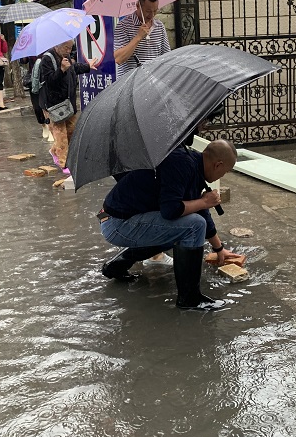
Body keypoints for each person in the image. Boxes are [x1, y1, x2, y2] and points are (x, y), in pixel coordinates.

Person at [98, 139, 242, 311]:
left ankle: (117, 266)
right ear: (218, 165)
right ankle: (190, 299)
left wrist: (219, 249)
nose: (222, 176)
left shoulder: (193, 163)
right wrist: (204, 202)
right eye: (225, 172)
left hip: (116, 218)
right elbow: (171, 210)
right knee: (194, 226)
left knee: (180, 228)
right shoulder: (182, 164)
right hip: (117, 223)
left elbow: (198, 209)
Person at [38, 40, 91, 174]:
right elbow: (50, 81)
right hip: (55, 105)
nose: (68, 51)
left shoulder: (66, 57)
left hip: (68, 103)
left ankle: (55, 151)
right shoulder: (47, 59)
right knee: (61, 136)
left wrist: (88, 66)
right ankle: (64, 163)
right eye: (66, 48)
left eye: (70, 48)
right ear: (57, 45)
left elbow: (74, 68)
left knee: (71, 132)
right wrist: (61, 70)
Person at [113, 0, 171, 78]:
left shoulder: (159, 26)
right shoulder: (123, 26)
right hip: (130, 82)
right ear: (138, 6)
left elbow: (167, 56)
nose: (152, 15)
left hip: (152, 81)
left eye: (155, 11)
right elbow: (118, 59)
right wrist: (138, 37)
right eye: (148, 11)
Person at [19, 56, 52, 142]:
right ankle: (43, 124)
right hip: (34, 79)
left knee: (47, 105)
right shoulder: (30, 49)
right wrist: (25, 56)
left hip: (46, 77)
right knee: (37, 107)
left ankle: (51, 128)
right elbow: (23, 61)